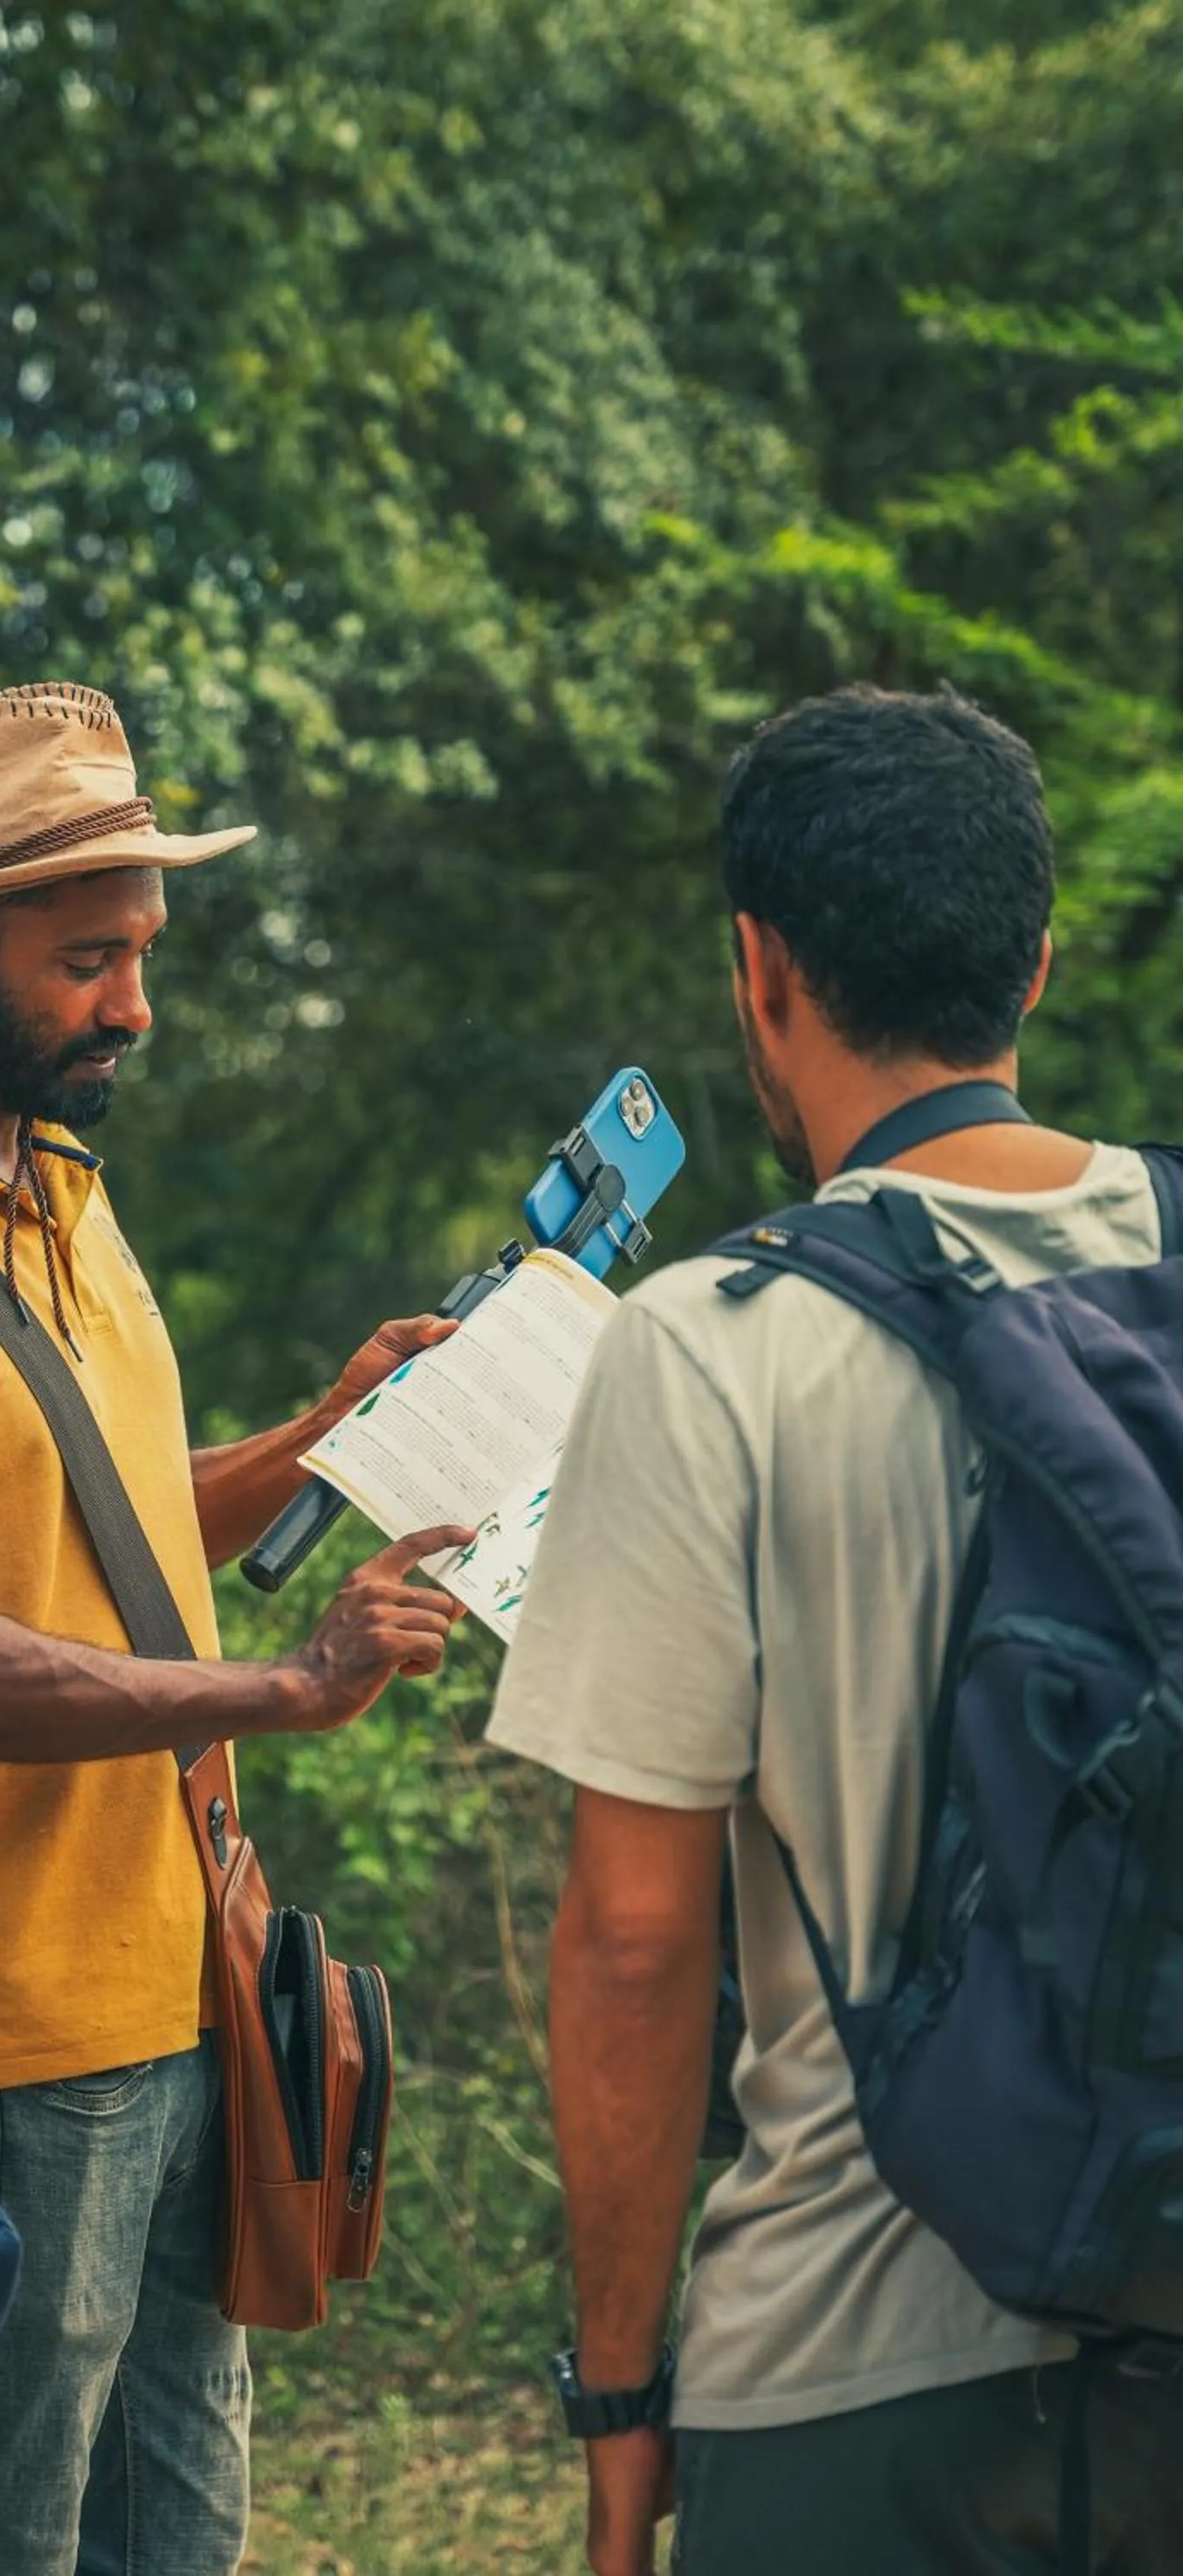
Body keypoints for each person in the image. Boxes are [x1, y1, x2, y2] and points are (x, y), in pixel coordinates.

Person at [0, 680, 470, 2576]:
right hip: (8, 2032)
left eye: (139, 955)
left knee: (178, 2535)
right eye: (88, 961)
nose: (135, 1003)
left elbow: (102, 1525)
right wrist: (285, 1689)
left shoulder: (66, 1180)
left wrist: (318, 1438)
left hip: (182, 1990)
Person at [484, 683, 1183, 2576]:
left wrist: (622, 2411)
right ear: (1034, 966)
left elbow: (636, 1944)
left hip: (854, 2370)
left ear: (759, 968)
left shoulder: (711, 1346)